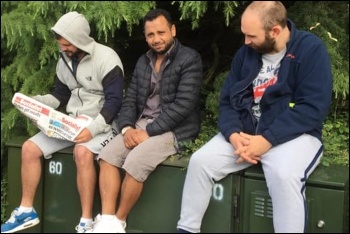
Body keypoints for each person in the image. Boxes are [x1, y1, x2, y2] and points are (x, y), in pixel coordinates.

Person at [177, 1, 333, 233]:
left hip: (295, 136)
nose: (246, 42)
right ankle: (186, 229)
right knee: (200, 162)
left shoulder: (310, 50)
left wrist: (267, 140)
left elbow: (312, 107)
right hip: (246, 134)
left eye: (251, 36)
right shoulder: (246, 54)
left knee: (284, 175)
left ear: (275, 31)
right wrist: (232, 134)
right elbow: (228, 100)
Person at [1, 11, 124, 233]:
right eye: (60, 44)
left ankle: (86, 222)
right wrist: (36, 103)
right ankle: (27, 210)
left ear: (80, 40)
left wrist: (92, 129)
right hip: (72, 122)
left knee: (82, 152)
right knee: (29, 148)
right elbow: (60, 95)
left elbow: (115, 102)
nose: (63, 48)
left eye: (67, 44)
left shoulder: (108, 59)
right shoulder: (64, 59)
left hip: (102, 124)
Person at [91, 8, 203, 233]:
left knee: (135, 161)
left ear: (173, 30)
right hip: (143, 123)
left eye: (161, 32)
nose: (156, 39)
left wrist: (148, 132)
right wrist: (126, 128)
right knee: (107, 156)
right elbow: (131, 98)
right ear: (145, 36)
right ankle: (107, 220)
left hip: (175, 129)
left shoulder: (189, 59)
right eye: (150, 35)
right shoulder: (144, 61)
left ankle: (119, 221)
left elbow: (184, 106)